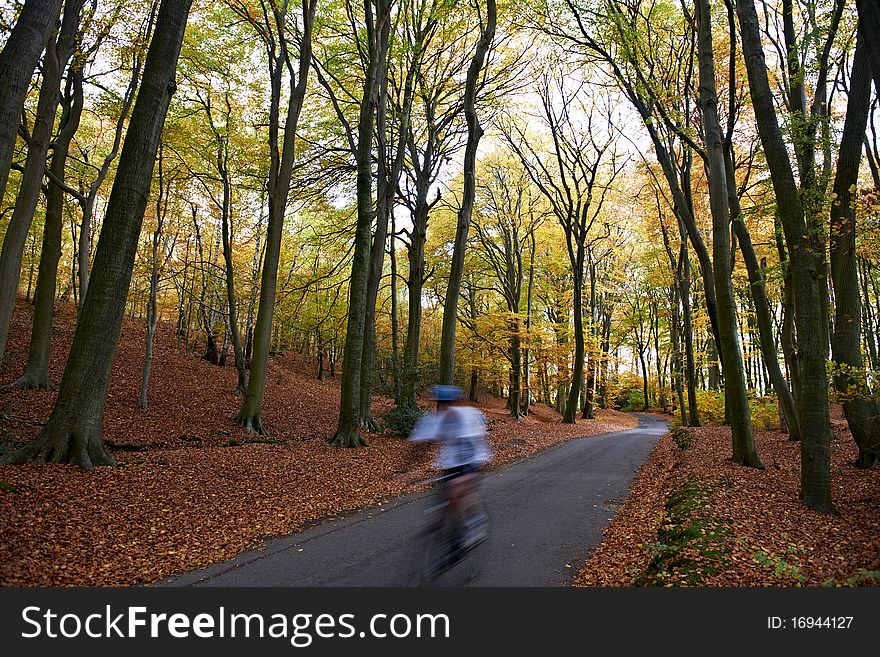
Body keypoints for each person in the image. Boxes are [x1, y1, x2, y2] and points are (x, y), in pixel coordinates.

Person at [407, 385, 491, 549]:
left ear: (457, 403)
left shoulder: (466, 416)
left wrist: (468, 476)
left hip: (473, 458)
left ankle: (475, 524)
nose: (445, 407)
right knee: (445, 497)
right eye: (441, 403)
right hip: (452, 461)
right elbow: (420, 445)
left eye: (449, 403)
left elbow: (473, 446)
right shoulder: (435, 419)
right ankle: (444, 527)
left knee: (458, 490)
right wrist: (407, 470)